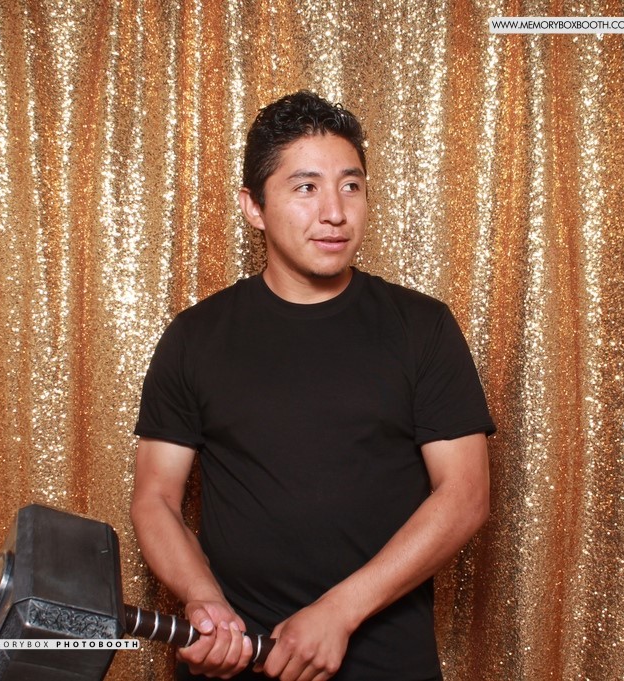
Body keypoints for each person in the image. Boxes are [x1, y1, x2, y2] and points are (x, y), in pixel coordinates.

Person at [130, 91, 495, 681]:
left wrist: (340, 613)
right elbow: (156, 498)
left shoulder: (422, 327)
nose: (335, 212)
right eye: (306, 187)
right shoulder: (194, 337)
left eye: (351, 186)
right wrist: (204, 602)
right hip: (238, 659)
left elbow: (465, 494)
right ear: (254, 207)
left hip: (386, 664)